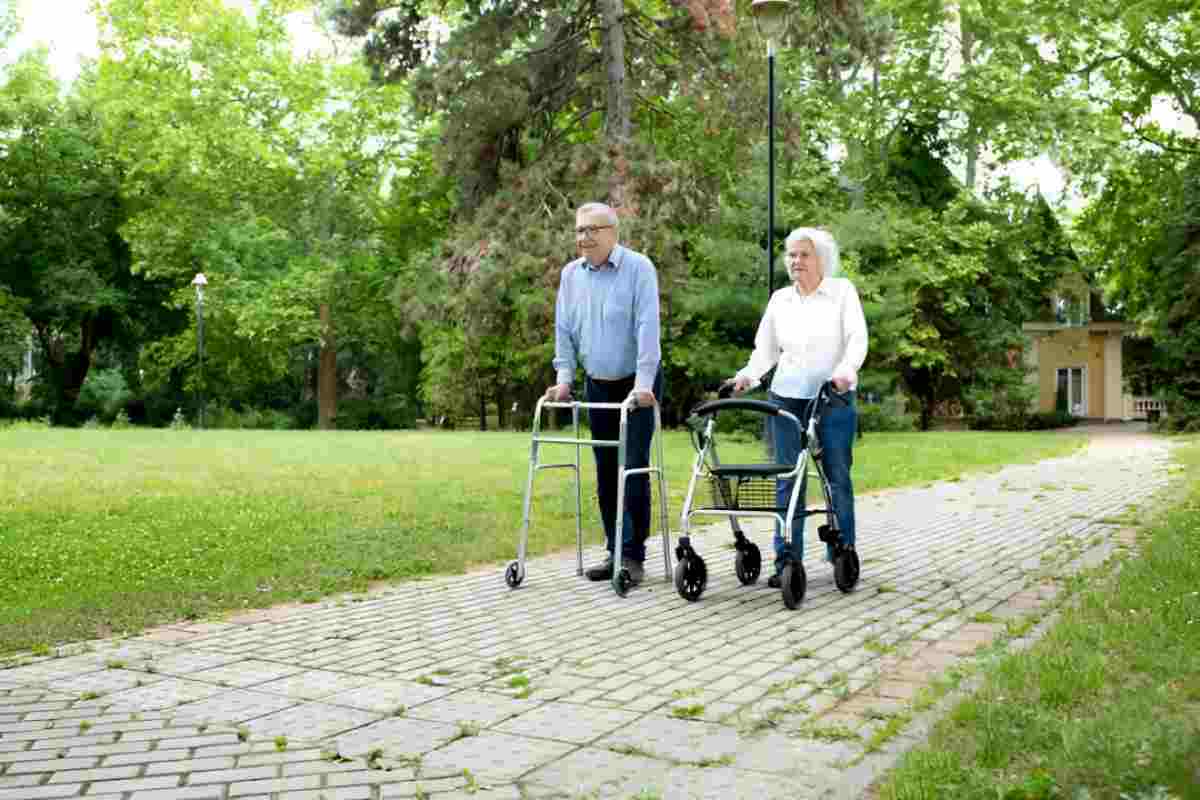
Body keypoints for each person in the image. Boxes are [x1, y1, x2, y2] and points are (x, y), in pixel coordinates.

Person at [728, 227, 868, 587]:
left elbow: (857, 339)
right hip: (786, 396)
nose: (795, 261)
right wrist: (748, 376)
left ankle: (843, 552)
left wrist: (845, 372)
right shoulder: (780, 300)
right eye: (791, 255)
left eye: (804, 255)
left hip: (831, 396)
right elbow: (765, 351)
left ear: (821, 259)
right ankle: (787, 560)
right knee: (787, 478)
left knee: (836, 474)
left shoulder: (841, 293)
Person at [545, 202, 662, 586]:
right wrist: (564, 377)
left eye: (592, 230)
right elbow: (564, 330)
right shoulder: (571, 276)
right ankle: (615, 549)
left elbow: (647, 328)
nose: (584, 238)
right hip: (597, 382)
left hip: (636, 384)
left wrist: (644, 384)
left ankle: (633, 556)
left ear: (613, 232)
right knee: (605, 469)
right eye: (579, 231)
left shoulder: (639, 268)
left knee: (632, 465)